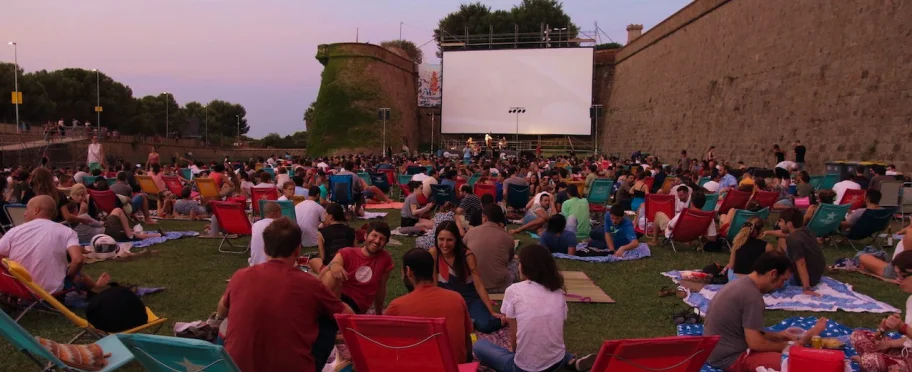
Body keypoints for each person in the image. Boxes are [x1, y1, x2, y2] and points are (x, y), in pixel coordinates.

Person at [215, 217, 353, 372]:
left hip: (236, 368)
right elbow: (347, 315)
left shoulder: (240, 276)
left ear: (266, 248)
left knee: (228, 322)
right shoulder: (310, 283)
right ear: (297, 250)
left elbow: (222, 310)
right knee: (328, 319)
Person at [473, 244, 594, 372]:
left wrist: (513, 351)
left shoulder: (514, 290)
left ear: (525, 267)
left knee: (479, 345)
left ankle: (566, 359)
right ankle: (570, 360)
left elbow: (514, 337)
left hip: (524, 368)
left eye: (520, 263)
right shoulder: (557, 292)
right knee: (549, 343)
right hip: (555, 362)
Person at [704, 252, 827, 372]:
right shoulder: (752, 297)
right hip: (729, 358)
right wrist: (788, 346)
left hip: (714, 351)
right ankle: (805, 339)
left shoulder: (740, 284)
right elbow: (756, 343)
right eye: (783, 280)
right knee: (798, 363)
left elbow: (749, 333)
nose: (781, 285)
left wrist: (780, 335)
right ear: (773, 274)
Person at [0, 195, 109, 294]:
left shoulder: (14, 231)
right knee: (78, 274)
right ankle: (96, 286)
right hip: (52, 293)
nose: (24, 213)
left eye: (27, 209)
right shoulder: (66, 231)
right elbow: (78, 259)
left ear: (36, 209)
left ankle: (95, 286)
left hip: (20, 289)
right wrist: (68, 279)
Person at [385, 248, 474, 364]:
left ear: (408, 271)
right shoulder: (457, 298)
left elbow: (382, 345)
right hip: (455, 366)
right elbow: (470, 337)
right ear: (432, 269)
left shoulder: (397, 306)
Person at [430, 221, 504, 333]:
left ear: (456, 240)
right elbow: (434, 283)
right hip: (448, 300)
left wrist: (492, 311)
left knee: (485, 325)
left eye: (449, 240)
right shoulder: (434, 253)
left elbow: (478, 285)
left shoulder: (467, 255)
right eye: (441, 239)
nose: (445, 244)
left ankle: (504, 320)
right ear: (436, 239)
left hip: (470, 299)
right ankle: (466, 320)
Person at [849, 251, 912, 371]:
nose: (898, 280)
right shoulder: (910, 300)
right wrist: (888, 342)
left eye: (902, 276)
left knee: (869, 361)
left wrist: (902, 327)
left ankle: (873, 361)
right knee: (858, 336)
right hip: (904, 351)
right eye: (896, 275)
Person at [464, 205, 516, 294]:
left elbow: (462, 251)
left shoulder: (471, 232)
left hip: (473, 285)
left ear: (485, 218)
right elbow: (509, 260)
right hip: (500, 286)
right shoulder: (508, 237)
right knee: (515, 263)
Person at [779, 208, 825, 294]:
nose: (779, 224)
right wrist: (768, 232)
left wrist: (806, 288)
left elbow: (801, 263)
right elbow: (782, 233)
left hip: (809, 279)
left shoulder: (793, 239)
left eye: (780, 221)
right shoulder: (805, 230)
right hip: (817, 274)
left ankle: (782, 270)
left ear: (789, 224)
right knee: (781, 240)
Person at [722, 217, 774, 282]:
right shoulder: (767, 246)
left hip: (735, 281)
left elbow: (732, 265)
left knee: (730, 268)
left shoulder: (737, 243)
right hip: (755, 281)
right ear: (760, 230)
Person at [310, 203, 355, 273]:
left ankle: (327, 275)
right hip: (349, 265)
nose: (324, 217)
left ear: (331, 217)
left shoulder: (321, 233)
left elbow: (323, 258)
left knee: (312, 261)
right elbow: (355, 252)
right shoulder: (351, 231)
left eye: (325, 214)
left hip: (332, 268)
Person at [249, 201, 282, 266]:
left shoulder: (255, 225)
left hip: (254, 264)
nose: (281, 215)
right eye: (280, 213)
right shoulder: (278, 225)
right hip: (270, 265)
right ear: (274, 214)